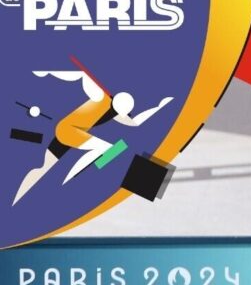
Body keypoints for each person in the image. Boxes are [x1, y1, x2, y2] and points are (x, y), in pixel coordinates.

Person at [12, 68, 173, 205]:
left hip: (74, 134)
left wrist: (159, 107)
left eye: (120, 113)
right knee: (110, 148)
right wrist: (48, 72)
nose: (119, 116)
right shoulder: (100, 96)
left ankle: (17, 197)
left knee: (43, 168)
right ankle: (80, 173)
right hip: (68, 130)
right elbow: (82, 75)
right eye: (119, 112)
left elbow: (135, 122)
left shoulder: (115, 111)